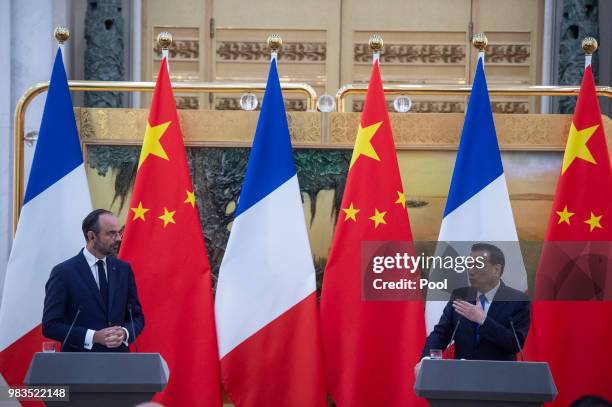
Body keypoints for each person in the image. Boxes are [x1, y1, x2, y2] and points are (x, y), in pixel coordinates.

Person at [416, 243, 530, 375]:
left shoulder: (517, 300)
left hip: (500, 380)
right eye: (469, 264)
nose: (470, 270)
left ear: (496, 270)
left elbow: (514, 344)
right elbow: (441, 333)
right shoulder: (461, 295)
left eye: (478, 265)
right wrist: (425, 360)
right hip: (462, 379)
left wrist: (483, 320)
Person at [42, 209, 144, 352]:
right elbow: (50, 326)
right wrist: (93, 336)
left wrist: (125, 333)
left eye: (119, 232)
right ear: (92, 236)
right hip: (79, 365)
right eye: (111, 233)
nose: (119, 238)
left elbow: (137, 317)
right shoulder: (63, 273)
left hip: (119, 364)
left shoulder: (124, 270)